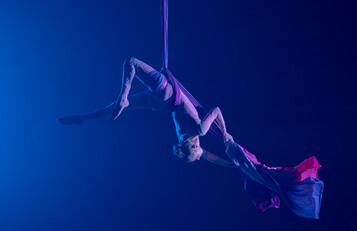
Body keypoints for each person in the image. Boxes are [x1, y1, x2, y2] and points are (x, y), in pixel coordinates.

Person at [58, 57, 235, 167]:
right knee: (113, 109)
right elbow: (208, 156)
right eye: (197, 158)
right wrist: (233, 165)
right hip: (160, 104)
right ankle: (84, 117)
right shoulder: (186, 139)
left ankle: (123, 95)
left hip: (166, 93)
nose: (199, 158)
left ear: (195, 146)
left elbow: (216, 110)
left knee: (131, 62)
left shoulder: (199, 131)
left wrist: (225, 134)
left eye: (197, 157)